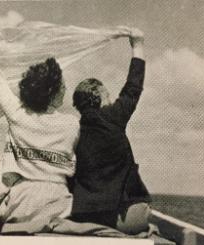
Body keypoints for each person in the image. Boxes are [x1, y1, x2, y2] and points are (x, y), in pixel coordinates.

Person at [0, 25, 80, 234]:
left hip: (22, 201)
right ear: (51, 92)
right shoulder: (72, 124)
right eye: (62, 86)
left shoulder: (18, 115)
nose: (65, 89)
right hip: (60, 203)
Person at [71, 27, 151, 235]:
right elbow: (134, 86)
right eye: (107, 95)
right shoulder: (114, 117)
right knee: (143, 215)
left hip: (83, 218)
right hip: (123, 219)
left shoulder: (72, 132)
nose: (110, 99)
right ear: (99, 96)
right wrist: (138, 45)